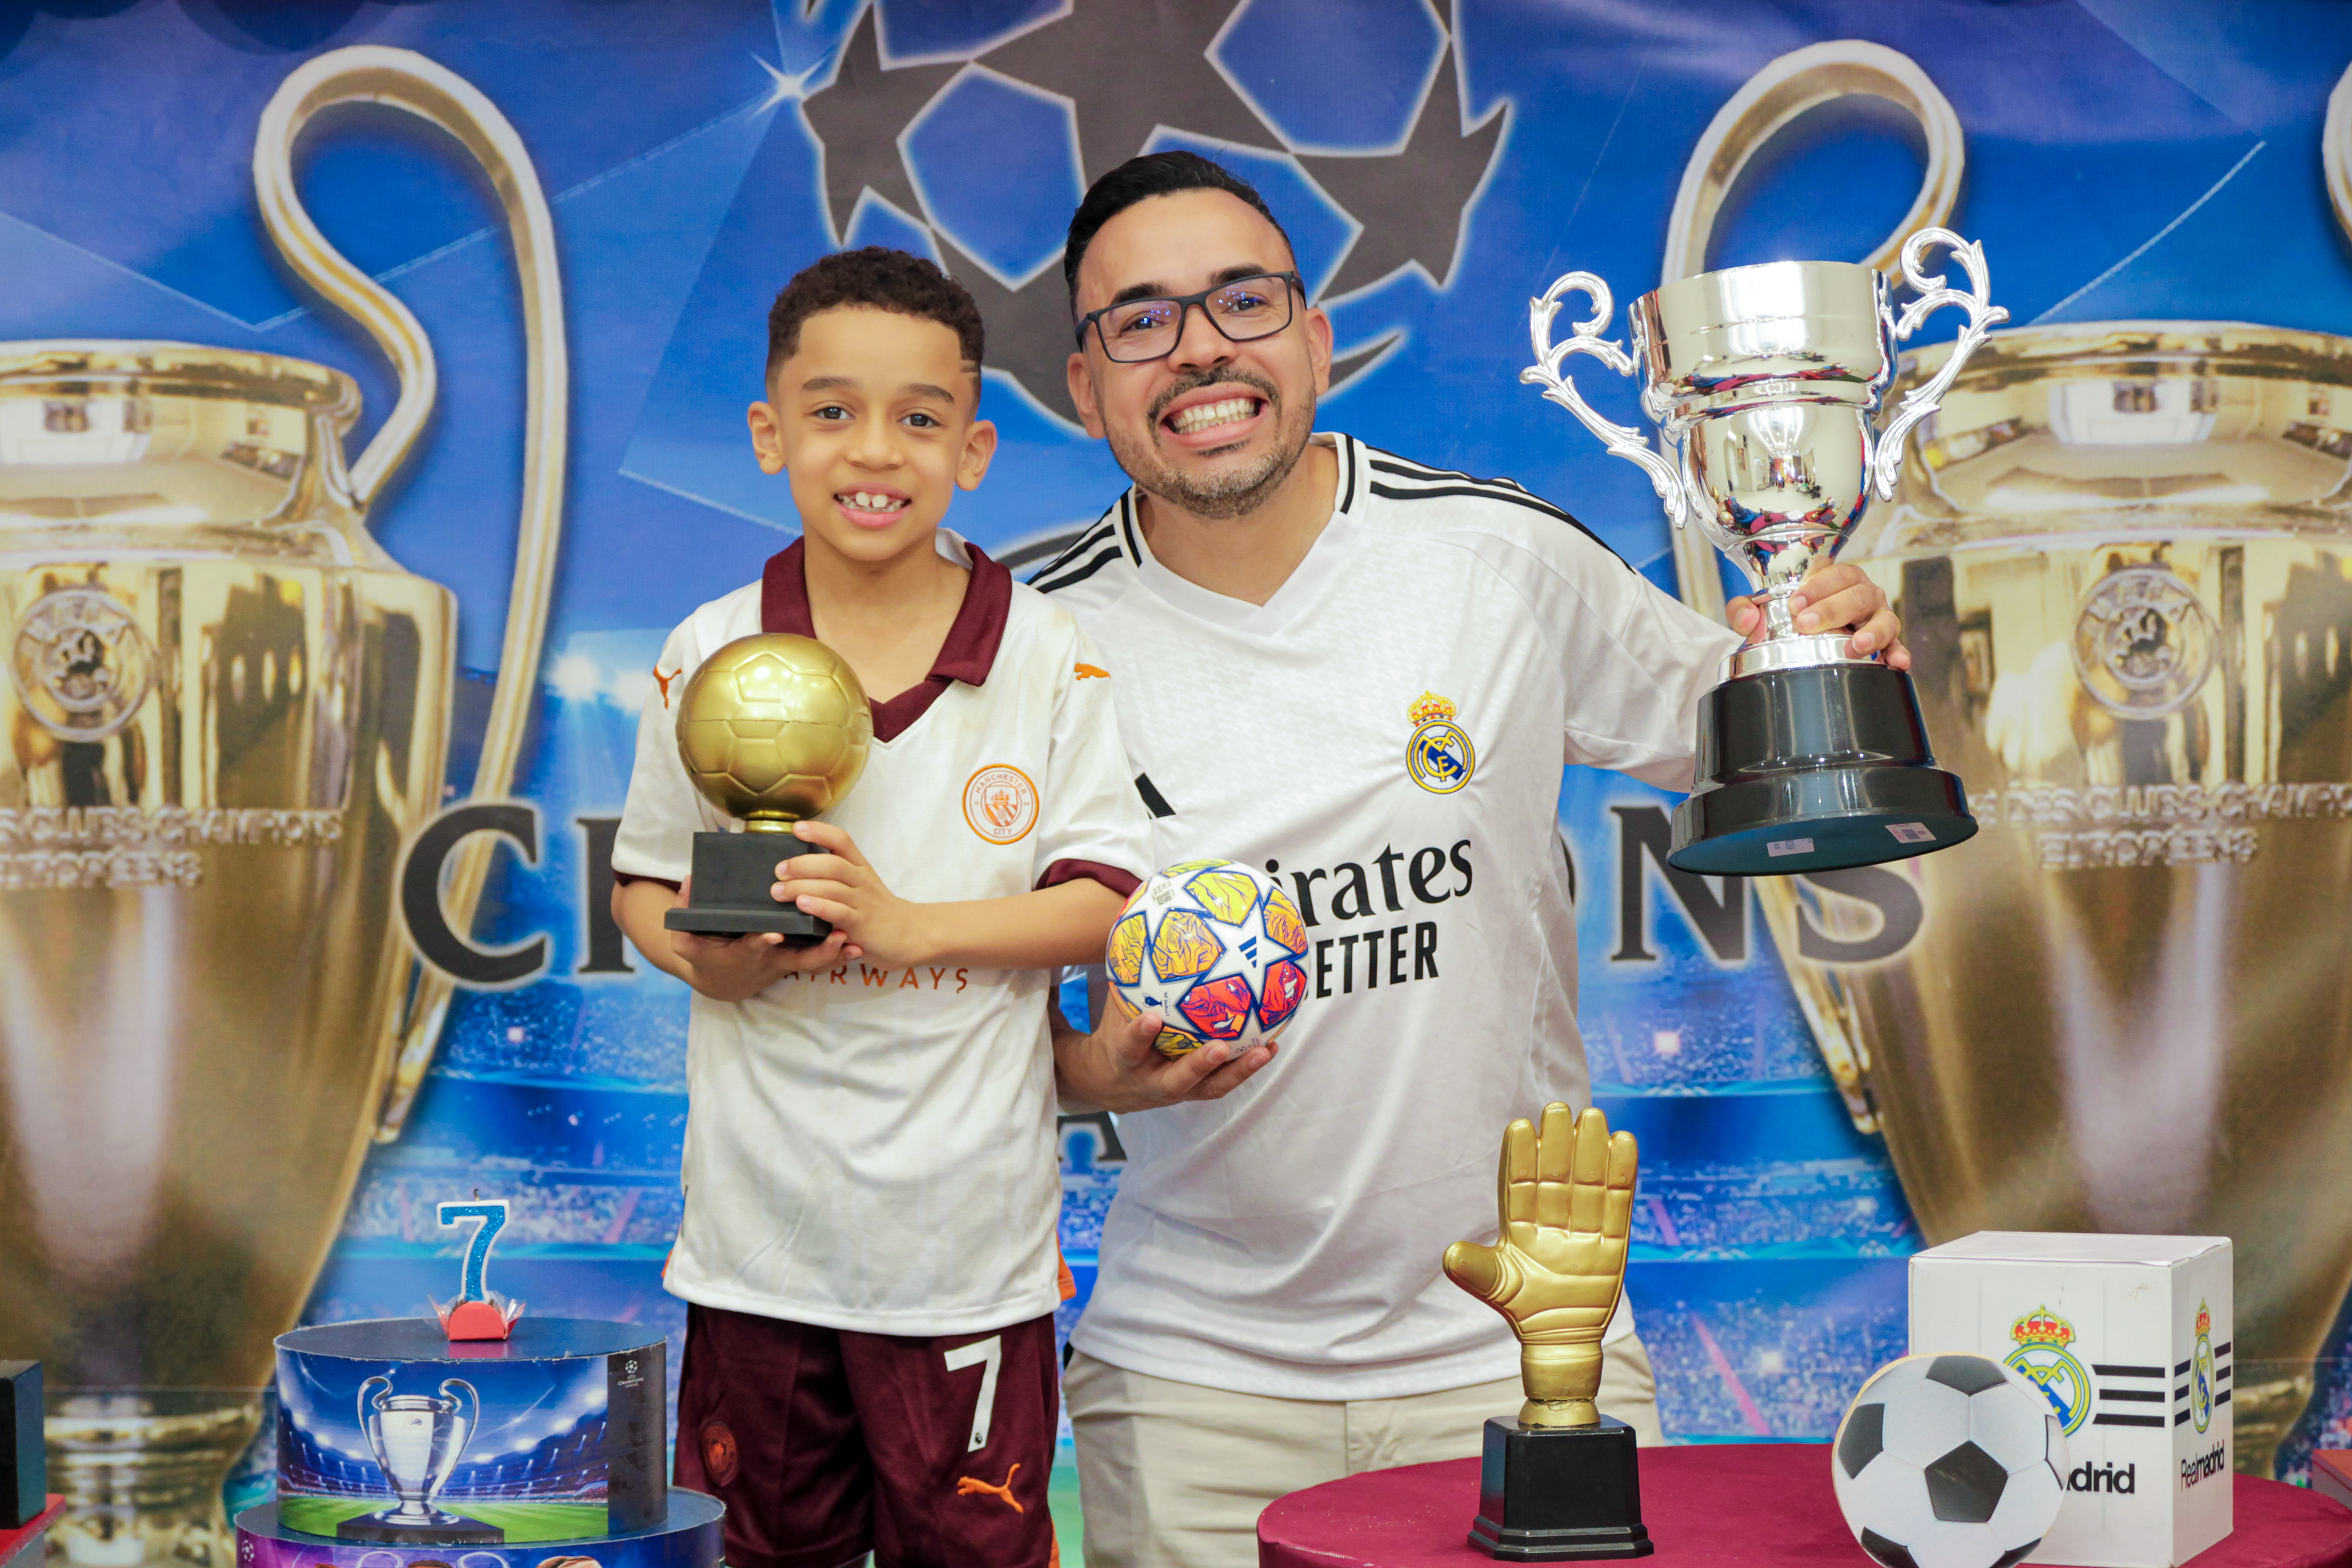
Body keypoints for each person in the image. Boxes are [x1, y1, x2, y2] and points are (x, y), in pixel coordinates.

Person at [1031, 153, 1909, 1568]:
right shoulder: (1031, 649)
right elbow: (960, 1013)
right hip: (1191, 1383)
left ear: (1315, 339)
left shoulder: (1499, 559)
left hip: (1523, 1352)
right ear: (1086, 385)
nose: (1199, 346)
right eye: (1139, 319)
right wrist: (1088, 1076)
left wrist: (1829, 644)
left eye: (1241, 300)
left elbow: (1750, 733)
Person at [609, 248, 1152, 1568]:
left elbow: (1105, 904)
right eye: (834, 409)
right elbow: (642, 883)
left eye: (919, 419)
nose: (876, 449)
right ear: (770, 431)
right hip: (759, 1254)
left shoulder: (1051, 653)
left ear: (973, 448)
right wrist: (711, 963)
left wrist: (910, 924)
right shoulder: (708, 648)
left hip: (965, 1253)